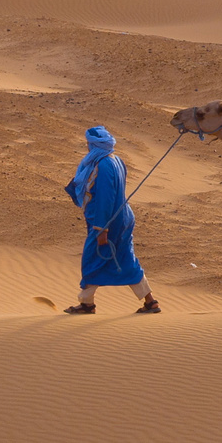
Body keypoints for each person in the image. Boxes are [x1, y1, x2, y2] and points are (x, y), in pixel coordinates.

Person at [62, 126, 159, 314]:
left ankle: (86, 304)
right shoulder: (114, 160)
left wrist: (102, 228)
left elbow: (105, 199)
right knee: (125, 260)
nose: (87, 146)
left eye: (89, 143)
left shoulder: (104, 165)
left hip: (109, 221)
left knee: (91, 259)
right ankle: (151, 302)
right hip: (120, 218)